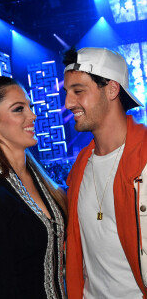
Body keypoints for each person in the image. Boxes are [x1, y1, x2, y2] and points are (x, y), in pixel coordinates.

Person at [0, 75, 67, 299]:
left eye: (29, 106)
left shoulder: (42, 180)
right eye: (19, 109)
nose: (32, 115)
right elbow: (2, 285)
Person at [63, 47, 147, 298]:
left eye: (78, 91)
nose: (67, 103)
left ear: (112, 89)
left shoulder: (144, 160)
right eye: (67, 93)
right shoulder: (80, 166)